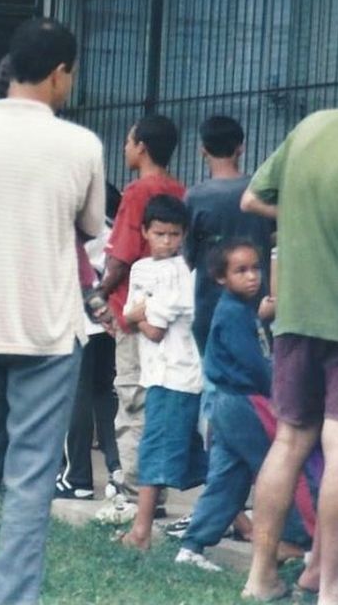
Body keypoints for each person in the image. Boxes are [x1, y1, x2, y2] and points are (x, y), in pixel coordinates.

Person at [0, 18, 104, 605]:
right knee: (29, 490)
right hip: (47, 333)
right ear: (59, 74)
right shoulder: (81, 145)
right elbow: (90, 225)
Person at [240, 109, 338, 603]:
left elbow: (252, 198)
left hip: (297, 315)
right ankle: (333, 587)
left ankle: (260, 577)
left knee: (288, 442)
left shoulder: (311, 127)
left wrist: (306, 216)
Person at [176, 240, 310, 571]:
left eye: (255, 268)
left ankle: (192, 546)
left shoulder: (240, 310)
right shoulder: (234, 314)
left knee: (228, 478)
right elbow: (254, 365)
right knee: (279, 466)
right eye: (241, 271)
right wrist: (282, 391)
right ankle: (295, 540)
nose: (252, 277)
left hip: (224, 405)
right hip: (243, 403)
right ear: (221, 277)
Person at [97, 113, 185, 492]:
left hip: (132, 311)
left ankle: (134, 486)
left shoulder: (135, 193)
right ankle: (155, 486)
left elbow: (120, 258)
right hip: (170, 312)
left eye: (129, 141)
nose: (125, 147)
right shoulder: (180, 190)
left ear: (142, 148)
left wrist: (99, 295)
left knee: (132, 395)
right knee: (158, 399)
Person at [115, 195, 206, 551]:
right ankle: (241, 523)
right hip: (155, 374)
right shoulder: (140, 269)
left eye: (174, 234)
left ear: (184, 235)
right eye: (159, 234)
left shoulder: (184, 272)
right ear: (145, 232)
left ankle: (141, 531)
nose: (167, 241)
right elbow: (128, 317)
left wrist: (139, 312)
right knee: (192, 456)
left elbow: (153, 329)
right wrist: (138, 314)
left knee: (154, 450)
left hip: (178, 376)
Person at [57, 183, 123, 502]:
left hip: (79, 321)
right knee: (105, 395)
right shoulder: (113, 231)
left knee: (76, 397)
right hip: (108, 322)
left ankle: (77, 477)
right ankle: (117, 468)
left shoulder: (74, 231)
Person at [184, 115, 273, 353]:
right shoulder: (260, 193)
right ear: (241, 148)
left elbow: (187, 257)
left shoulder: (195, 197)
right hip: (258, 301)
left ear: (203, 150)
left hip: (210, 304)